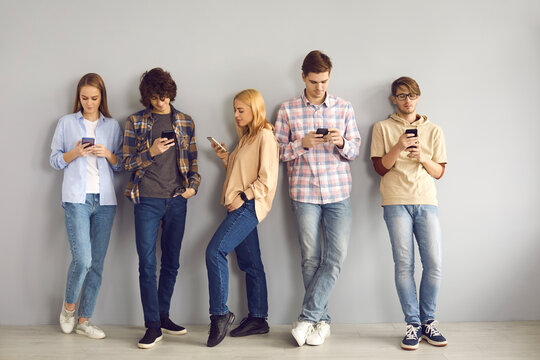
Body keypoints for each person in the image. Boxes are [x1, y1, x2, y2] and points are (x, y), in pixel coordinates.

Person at [274, 50, 361, 346]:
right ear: (303, 77)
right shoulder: (286, 110)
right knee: (310, 258)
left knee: (335, 257)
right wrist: (302, 143)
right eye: (313, 81)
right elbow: (276, 153)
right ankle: (322, 322)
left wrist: (342, 142)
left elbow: (355, 151)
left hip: (338, 193)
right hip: (304, 193)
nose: (319, 87)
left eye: (324, 81)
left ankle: (309, 318)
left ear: (329, 77)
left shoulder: (344, 107)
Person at [123, 68, 201, 349]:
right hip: (146, 199)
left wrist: (192, 188)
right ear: (147, 98)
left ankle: (164, 316)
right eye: (155, 98)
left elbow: (193, 161)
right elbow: (126, 163)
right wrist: (151, 152)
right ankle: (152, 326)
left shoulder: (185, 121)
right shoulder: (135, 122)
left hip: (177, 200)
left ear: (171, 92)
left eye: (164, 96)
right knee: (147, 265)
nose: (160, 102)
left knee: (171, 263)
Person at [370, 76, 448, 350]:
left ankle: (429, 322)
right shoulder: (381, 128)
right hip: (395, 202)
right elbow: (379, 168)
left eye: (411, 95)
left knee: (434, 264)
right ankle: (413, 324)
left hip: (427, 201)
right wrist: (399, 146)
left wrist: (423, 157)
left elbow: (439, 172)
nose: (407, 100)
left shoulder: (434, 130)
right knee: (404, 265)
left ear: (418, 97)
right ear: (394, 99)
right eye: (402, 96)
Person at [50, 73, 123, 339]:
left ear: (101, 97)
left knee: (97, 265)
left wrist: (108, 154)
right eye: (84, 98)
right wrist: (76, 152)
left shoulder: (113, 126)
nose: (89, 103)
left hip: (104, 201)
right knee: (82, 259)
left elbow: (121, 164)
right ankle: (69, 308)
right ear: (77, 97)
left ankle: (84, 320)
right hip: (77, 200)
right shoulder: (66, 123)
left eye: (94, 98)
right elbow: (55, 160)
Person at [205, 89, 279, 347]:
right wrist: (226, 157)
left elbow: (267, 180)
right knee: (251, 263)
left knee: (214, 252)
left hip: (248, 208)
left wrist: (244, 198)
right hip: (238, 207)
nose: (236, 115)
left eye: (241, 110)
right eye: (234, 110)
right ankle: (259, 318)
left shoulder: (265, 136)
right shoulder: (246, 138)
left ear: (254, 109)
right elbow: (240, 173)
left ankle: (219, 315)